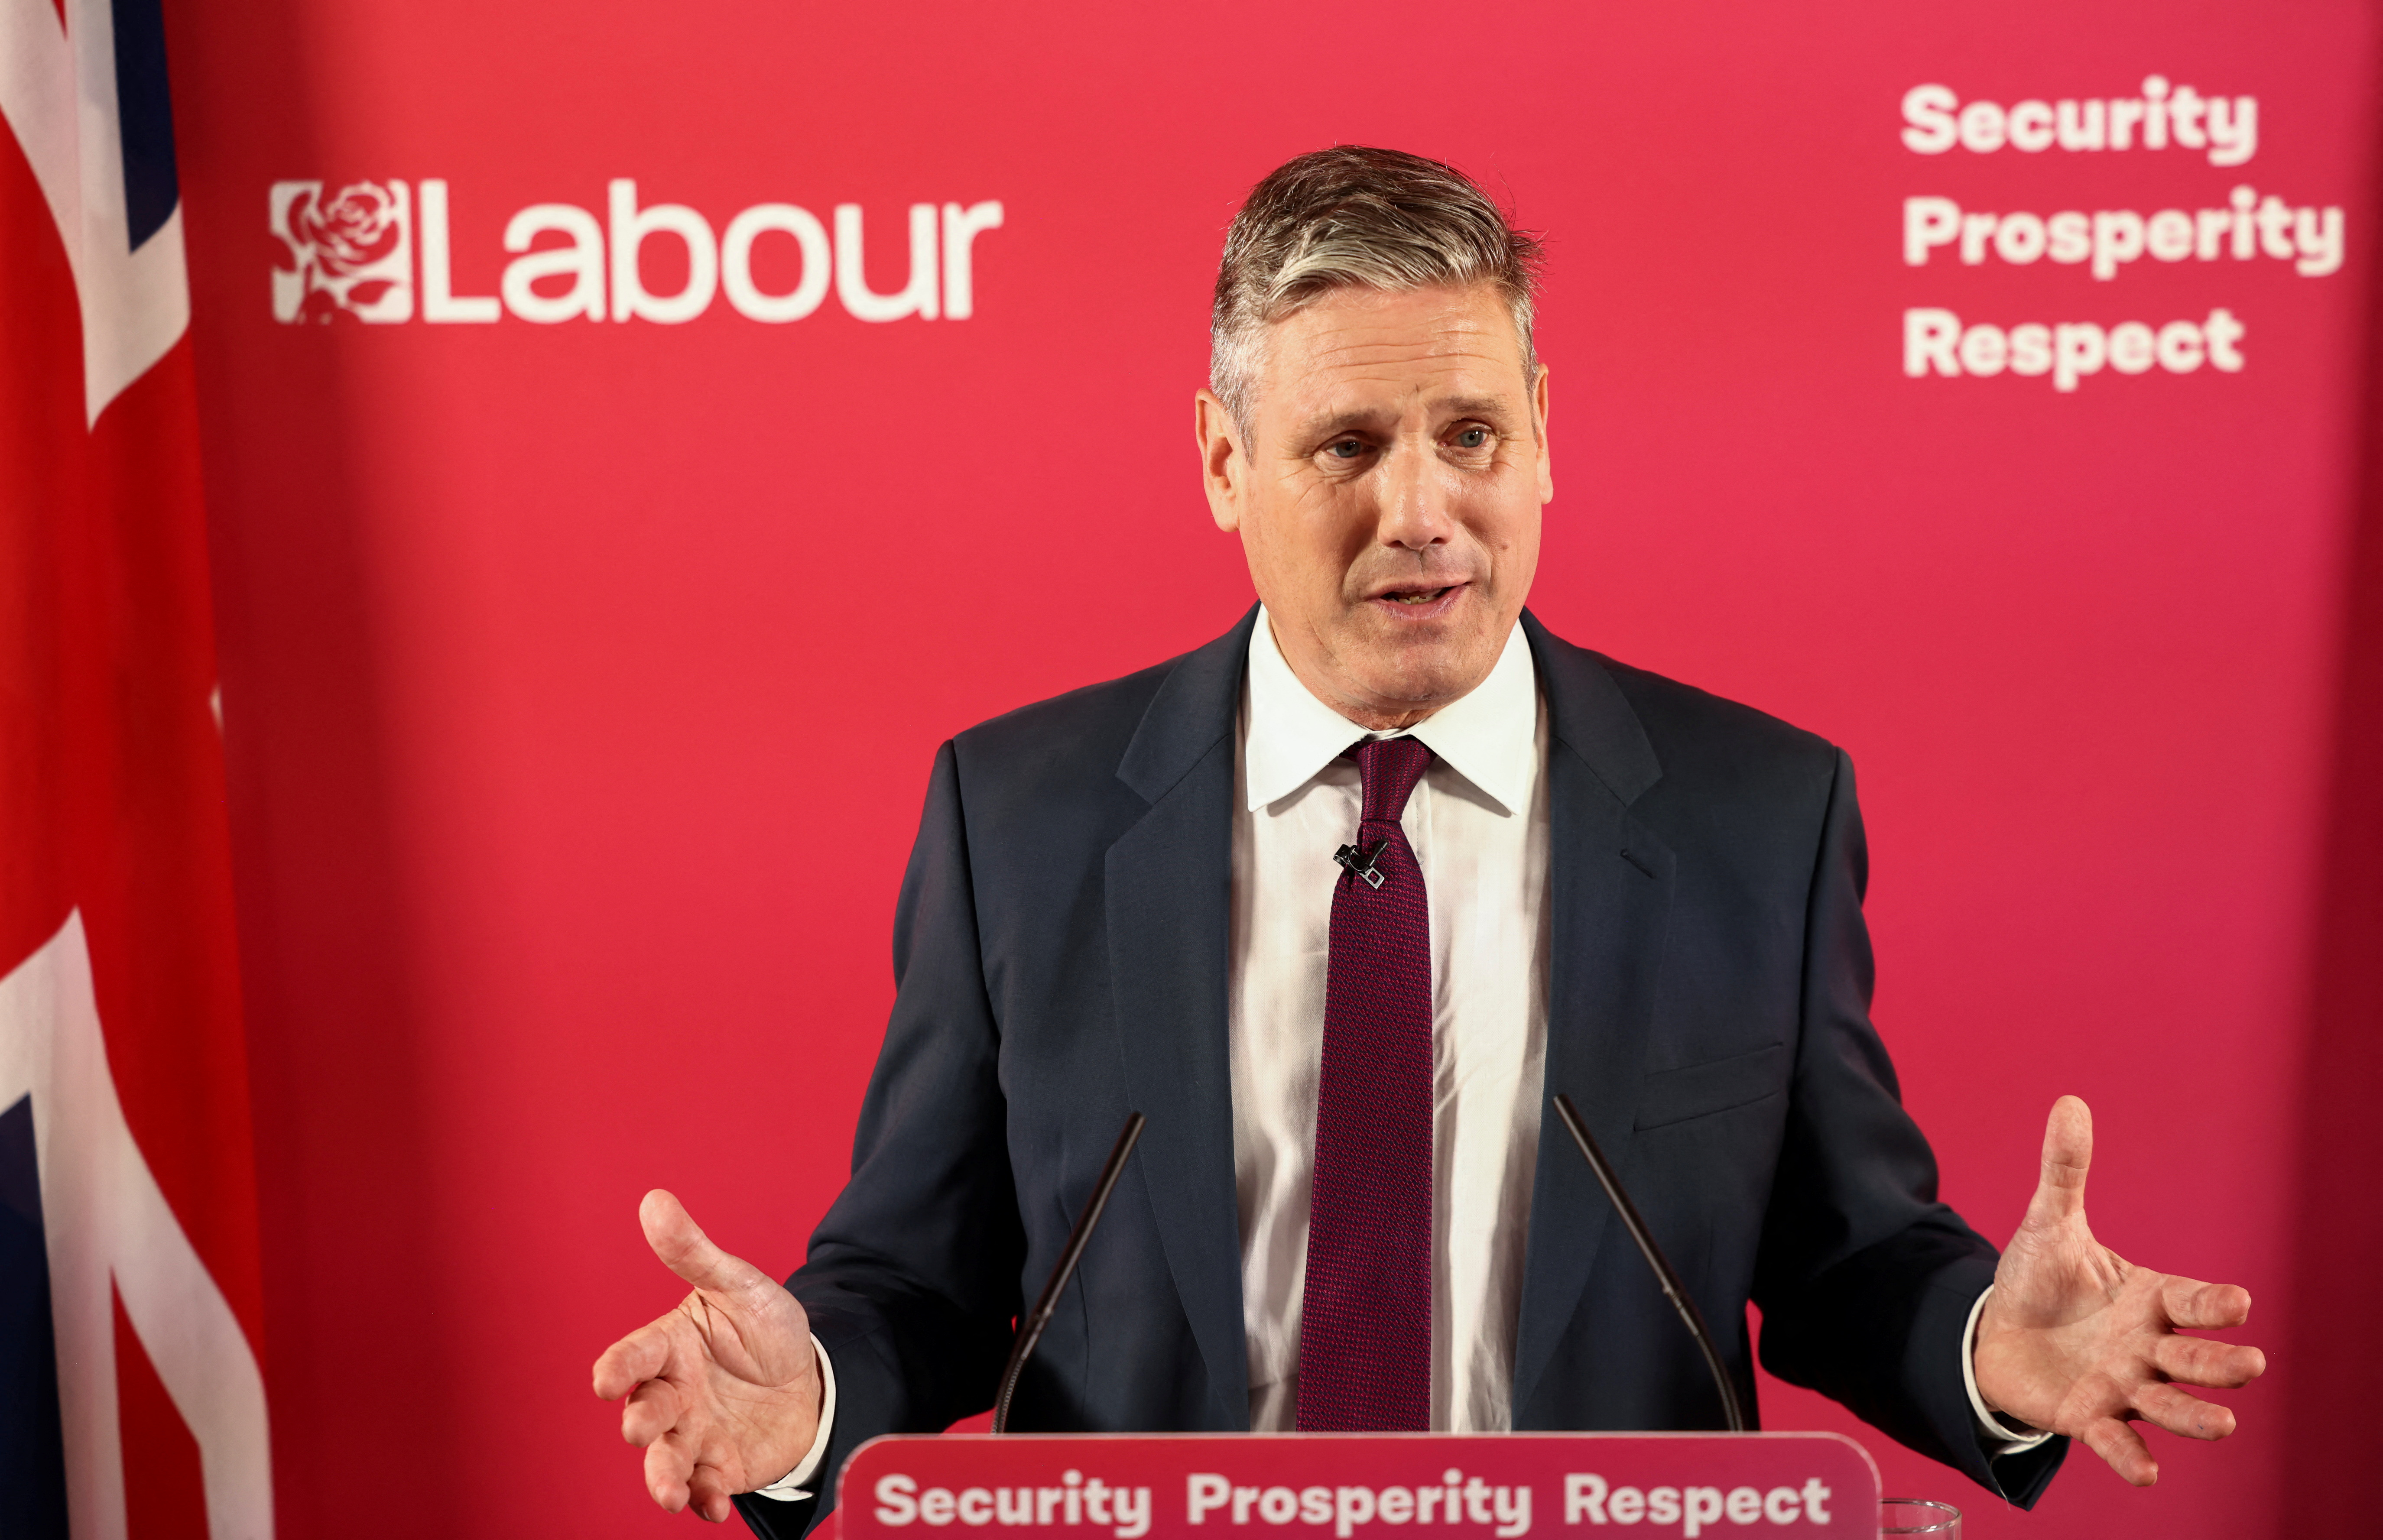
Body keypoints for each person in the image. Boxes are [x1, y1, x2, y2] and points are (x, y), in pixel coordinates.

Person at [591, 147, 2266, 1534]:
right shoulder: (1015, 812)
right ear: (1221, 459)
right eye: (1346, 447)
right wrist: (809, 1393)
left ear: (1543, 428)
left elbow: (1839, 1252)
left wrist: (1985, 1345)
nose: (1422, 510)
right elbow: (922, 1273)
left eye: (1470, 433)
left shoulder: (1760, 810)